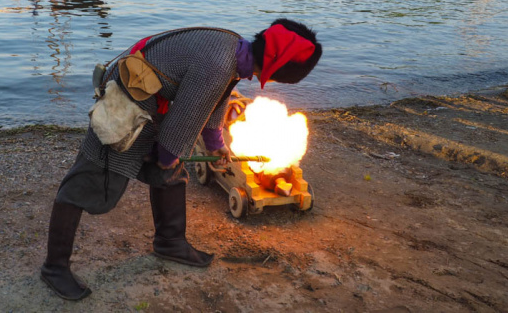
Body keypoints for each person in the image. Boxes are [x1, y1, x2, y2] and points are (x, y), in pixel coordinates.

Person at [40, 19, 323, 301]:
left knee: (172, 167)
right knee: (94, 177)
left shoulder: (236, 51)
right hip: (126, 95)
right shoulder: (219, 65)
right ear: (275, 70)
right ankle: (54, 268)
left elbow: (215, 99)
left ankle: (170, 242)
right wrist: (166, 156)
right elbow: (186, 117)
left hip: (152, 94)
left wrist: (214, 144)